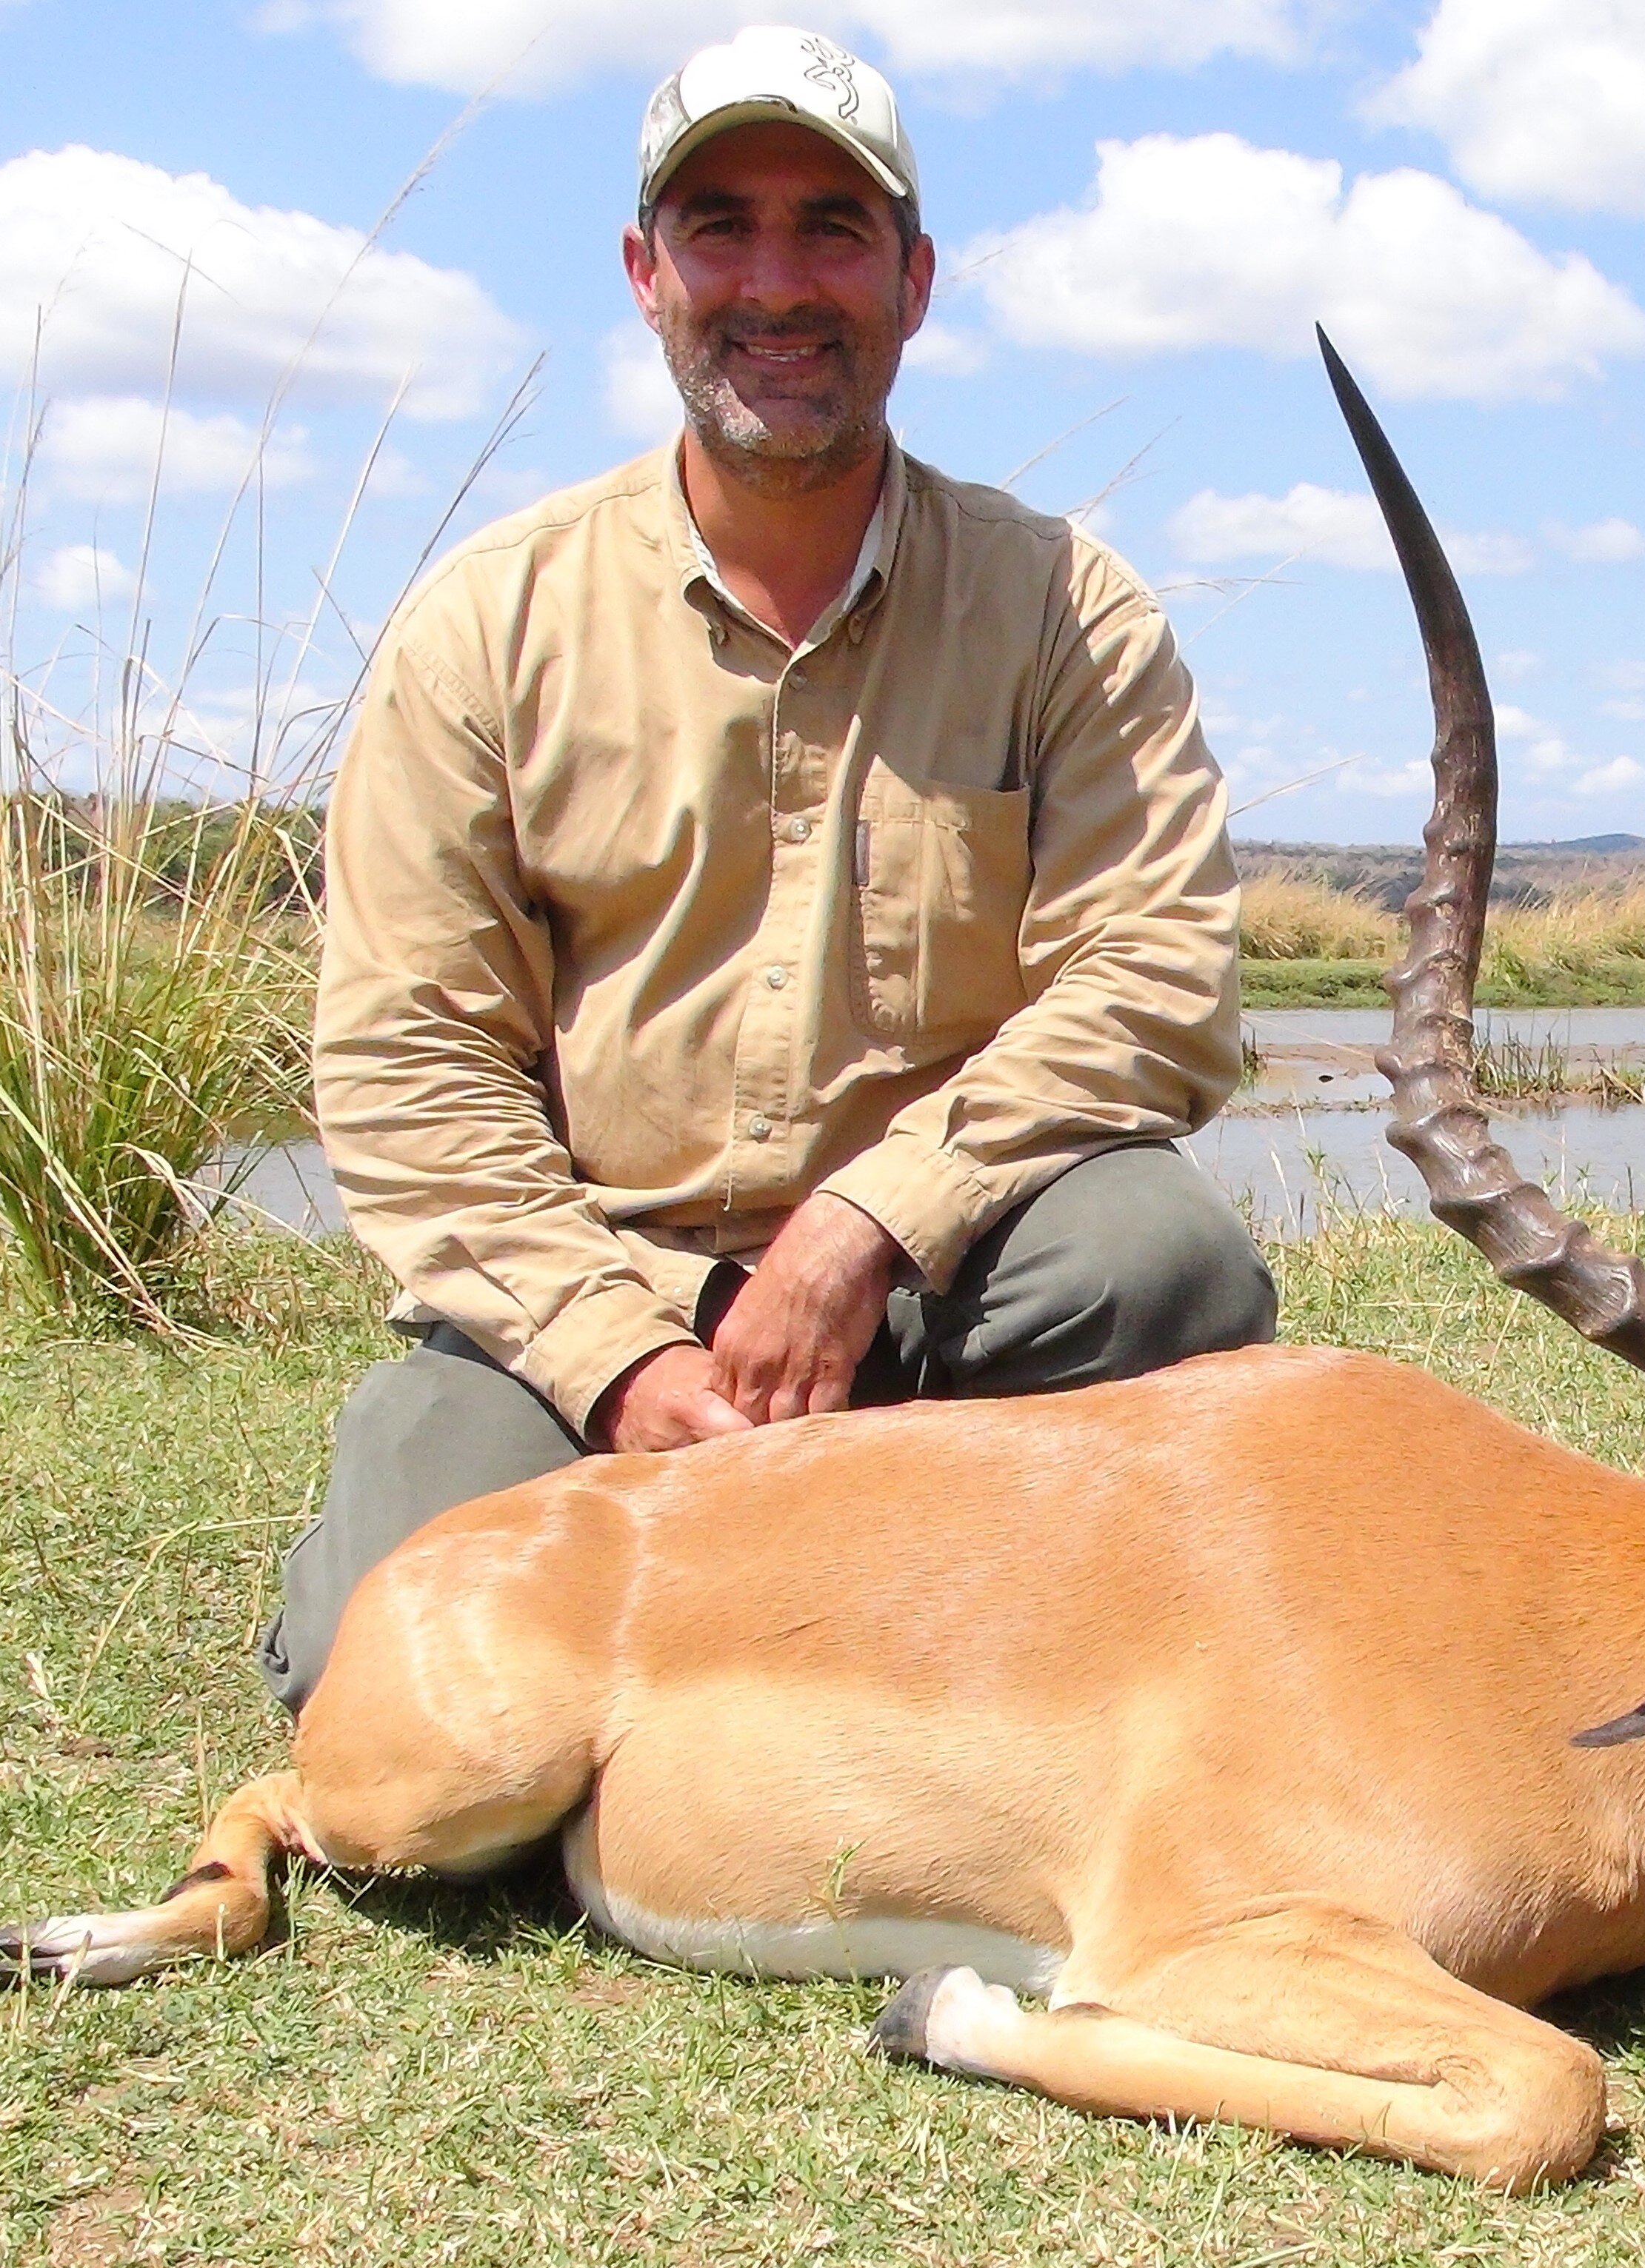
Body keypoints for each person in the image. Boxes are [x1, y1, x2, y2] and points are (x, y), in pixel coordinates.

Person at [260, 25, 1274, 1710]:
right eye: (723, 225)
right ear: (645, 272)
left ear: (916, 281)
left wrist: (870, 1219)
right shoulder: (486, 625)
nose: (777, 283)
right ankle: (798, 1589)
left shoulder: (1064, 609)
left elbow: (1157, 987)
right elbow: (405, 1068)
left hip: (951, 1290)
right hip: (605, 1275)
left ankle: (920, 1628)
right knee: (393, 1697)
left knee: (1160, 1265)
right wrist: (619, 1355)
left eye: (833, 229)